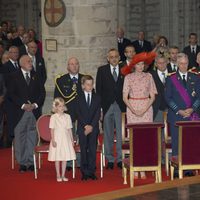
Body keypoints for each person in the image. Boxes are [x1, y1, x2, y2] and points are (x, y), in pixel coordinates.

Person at [122, 51, 157, 179]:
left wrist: (144, 109)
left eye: (143, 64)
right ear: (134, 65)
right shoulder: (128, 77)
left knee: (145, 139)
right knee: (134, 139)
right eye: (138, 64)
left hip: (147, 109)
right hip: (132, 109)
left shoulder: (149, 76)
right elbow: (124, 97)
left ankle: (142, 168)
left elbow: (152, 96)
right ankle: (134, 167)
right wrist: (133, 110)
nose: (141, 66)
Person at [8, 55, 45, 172]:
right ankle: (23, 163)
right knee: (20, 138)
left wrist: (35, 105)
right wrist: (23, 105)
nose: (31, 63)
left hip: (34, 112)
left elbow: (42, 93)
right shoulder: (13, 76)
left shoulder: (36, 75)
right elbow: (11, 94)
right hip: (20, 112)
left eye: (31, 61)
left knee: (32, 137)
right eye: (28, 61)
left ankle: (31, 161)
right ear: (22, 63)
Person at [165, 53, 200, 176]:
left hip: (191, 115)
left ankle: (189, 168)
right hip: (176, 115)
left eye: (186, 63)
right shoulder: (171, 78)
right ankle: (176, 168)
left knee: (189, 142)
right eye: (181, 64)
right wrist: (178, 110)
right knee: (176, 142)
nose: (184, 66)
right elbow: (168, 98)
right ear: (177, 64)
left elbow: (199, 96)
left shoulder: (195, 77)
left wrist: (192, 109)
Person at [96, 48, 126, 170]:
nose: (114, 59)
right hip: (106, 106)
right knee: (107, 134)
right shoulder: (102, 70)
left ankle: (120, 159)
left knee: (120, 133)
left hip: (120, 105)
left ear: (119, 58)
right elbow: (98, 90)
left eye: (116, 56)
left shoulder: (125, 70)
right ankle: (109, 159)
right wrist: (100, 109)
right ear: (108, 59)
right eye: (111, 57)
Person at [54, 57, 83, 169]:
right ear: (68, 66)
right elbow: (57, 98)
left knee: (81, 138)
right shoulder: (61, 80)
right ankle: (69, 163)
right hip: (67, 114)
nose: (74, 66)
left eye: (76, 64)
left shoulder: (84, 79)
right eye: (71, 64)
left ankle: (80, 161)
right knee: (67, 139)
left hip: (81, 114)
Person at [76, 75, 101, 181]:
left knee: (92, 149)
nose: (90, 86)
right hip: (82, 128)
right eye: (87, 84)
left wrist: (91, 126)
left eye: (91, 84)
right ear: (83, 86)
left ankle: (91, 171)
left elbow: (97, 113)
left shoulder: (97, 97)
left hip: (93, 128)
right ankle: (84, 172)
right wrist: (86, 126)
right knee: (83, 149)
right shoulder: (78, 97)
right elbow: (78, 113)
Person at [48, 97, 76, 182]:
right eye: (60, 106)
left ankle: (63, 175)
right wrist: (53, 140)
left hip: (65, 139)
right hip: (57, 138)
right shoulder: (53, 117)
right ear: (56, 107)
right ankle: (58, 175)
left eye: (63, 106)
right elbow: (52, 129)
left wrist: (72, 140)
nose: (62, 108)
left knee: (64, 158)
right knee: (57, 158)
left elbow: (69, 129)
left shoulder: (67, 116)